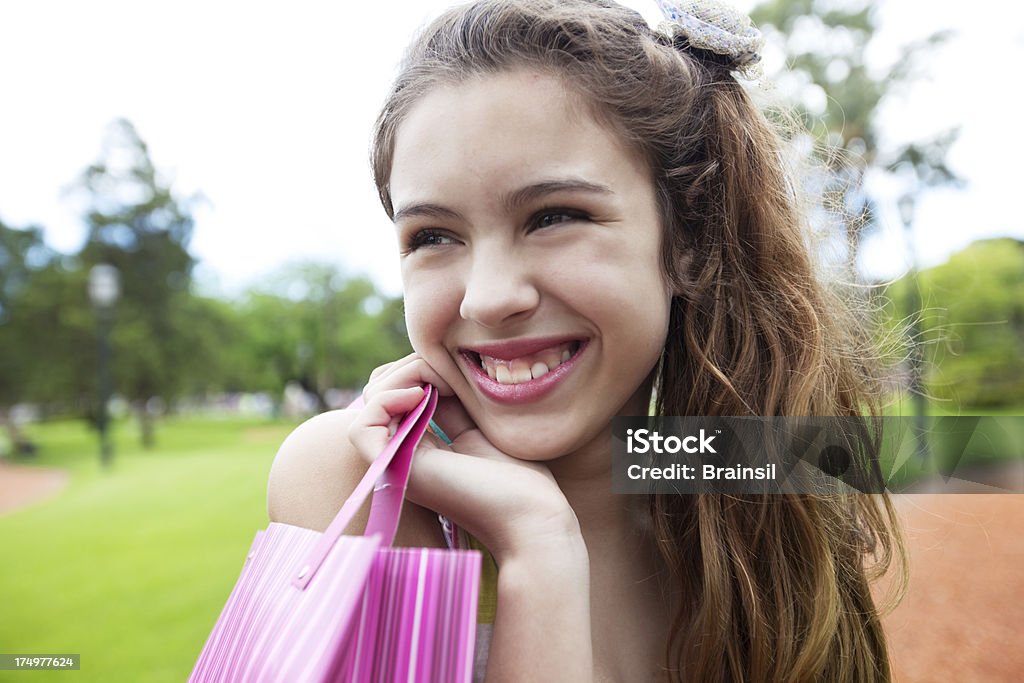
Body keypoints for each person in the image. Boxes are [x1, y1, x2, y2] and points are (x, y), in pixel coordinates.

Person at [267, 0, 907, 680]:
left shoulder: (754, 472)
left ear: (689, 240)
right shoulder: (354, 481)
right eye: (432, 235)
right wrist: (537, 548)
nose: (486, 296)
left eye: (554, 216)